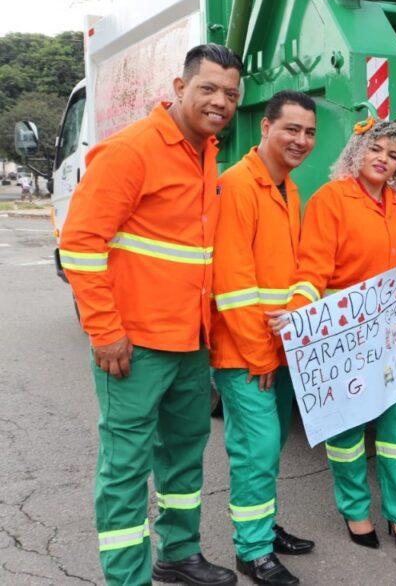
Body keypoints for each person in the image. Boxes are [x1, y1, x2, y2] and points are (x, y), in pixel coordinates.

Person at [58, 44, 242, 585]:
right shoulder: (133, 150)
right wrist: (104, 331)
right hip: (134, 346)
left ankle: (178, 553)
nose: (220, 101)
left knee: (184, 459)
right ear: (180, 88)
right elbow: (81, 243)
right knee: (125, 470)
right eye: (208, 88)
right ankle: (127, 577)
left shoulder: (204, 151)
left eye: (230, 94)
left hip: (190, 343)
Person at [279, 118, 396, 551]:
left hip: (392, 333)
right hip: (343, 334)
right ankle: (355, 511)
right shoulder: (331, 199)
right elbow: (312, 269)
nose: (384, 160)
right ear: (357, 150)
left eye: (393, 155)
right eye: (376, 149)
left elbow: (392, 259)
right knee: (347, 432)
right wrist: (297, 313)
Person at [210, 91, 318, 585]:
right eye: (291, 129)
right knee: (256, 449)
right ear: (265, 129)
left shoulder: (287, 188)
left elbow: (289, 272)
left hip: (276, 350)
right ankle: (251, 551)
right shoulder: (237, 185)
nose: (301, 140)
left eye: (310, 132)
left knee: (268, 449)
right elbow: (232, 285)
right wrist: (258, 356)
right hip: (245, 353)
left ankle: (262, 525)